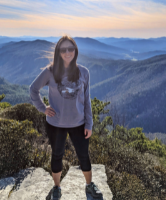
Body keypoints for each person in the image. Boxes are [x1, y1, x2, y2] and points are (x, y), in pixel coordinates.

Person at [29, 35, 103, 200]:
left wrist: (89, 124)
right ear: (58, 52)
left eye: (71, 49)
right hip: (56, 123)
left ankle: (89, 185)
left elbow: (87, 99)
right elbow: (33, 89)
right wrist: (43, 108)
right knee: (57, 155)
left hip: (79, 123)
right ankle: (57, 187)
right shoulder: (50, 71)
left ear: (75, 51)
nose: (68, 52)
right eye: (64, 49)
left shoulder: (84, 72)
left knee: (84, 155)